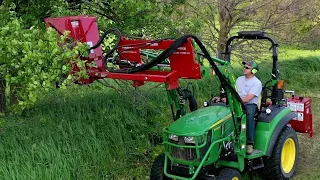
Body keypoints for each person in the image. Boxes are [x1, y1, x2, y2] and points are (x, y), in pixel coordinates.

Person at [236, 60, 262, 154]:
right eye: (244, 67)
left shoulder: (256, 83)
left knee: (249, 115)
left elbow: (247, 99)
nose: (244, 69)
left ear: (254, 71)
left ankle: (249, 143)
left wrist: (233, 100)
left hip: (250, 104)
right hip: (237, 101)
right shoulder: (239, 79)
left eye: (247, 68)